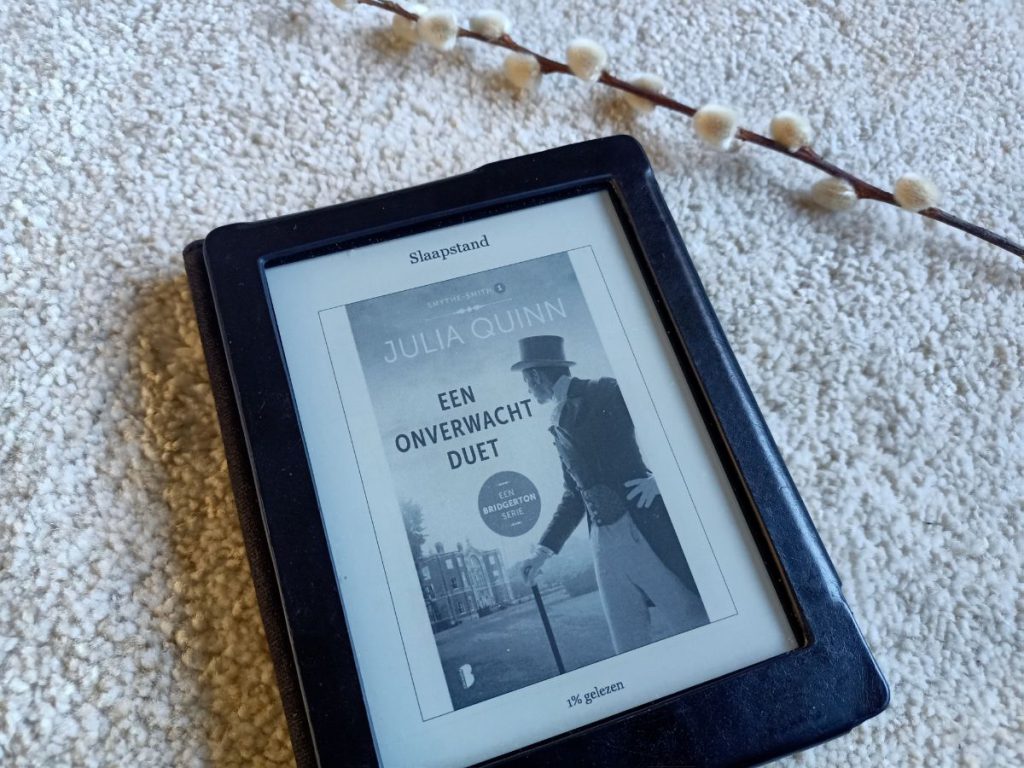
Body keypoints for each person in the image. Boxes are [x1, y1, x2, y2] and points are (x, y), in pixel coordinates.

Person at [514, 335, 708, 653]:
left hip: (642, 527)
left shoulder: (605, 390)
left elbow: (672, 420)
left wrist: (664, 478)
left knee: (691, 620)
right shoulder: (556, 424)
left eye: (526, 382)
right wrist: (541, 553)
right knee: (627, 643)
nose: (528, 390)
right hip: (602, 544)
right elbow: (574, 495)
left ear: (535, 376)